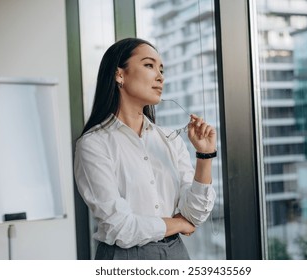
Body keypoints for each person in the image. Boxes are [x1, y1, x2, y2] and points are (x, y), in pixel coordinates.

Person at [74, 37, 217, 260]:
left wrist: (205, 155)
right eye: (149, 65)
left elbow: (195, 214)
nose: (160, 76)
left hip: (176, 253)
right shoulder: (93, 144)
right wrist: (178, 223)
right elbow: (119, 226)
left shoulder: (170, 140)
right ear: (119, 74)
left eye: (162, 69)